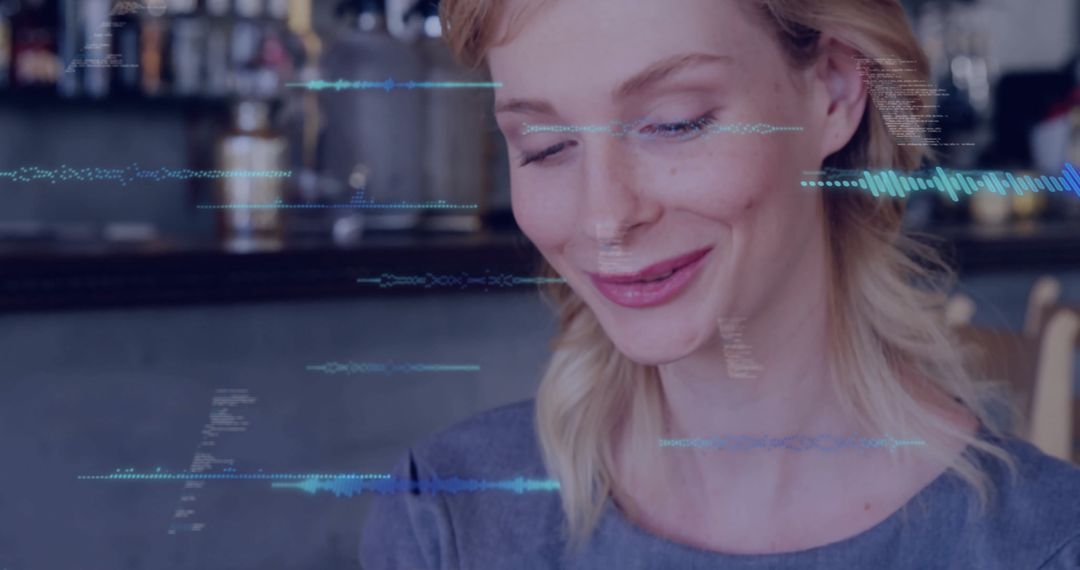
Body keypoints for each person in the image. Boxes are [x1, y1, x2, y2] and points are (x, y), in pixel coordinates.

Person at [360, 0, 1080, 567]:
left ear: (832, 90)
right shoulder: (447, 521)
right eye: (546, 148)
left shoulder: (1046, 545)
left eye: (674, 124)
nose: (606, 218)